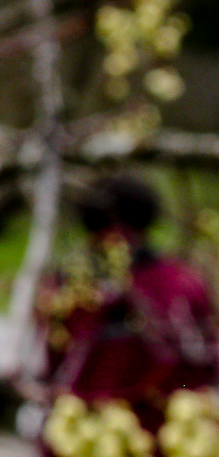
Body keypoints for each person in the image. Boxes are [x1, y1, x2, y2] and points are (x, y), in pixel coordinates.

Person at [34, 175, 219, 456]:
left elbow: (49, 364)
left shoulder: (65, 287)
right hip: (109, 431)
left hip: (159, 430)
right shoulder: (181, 280)